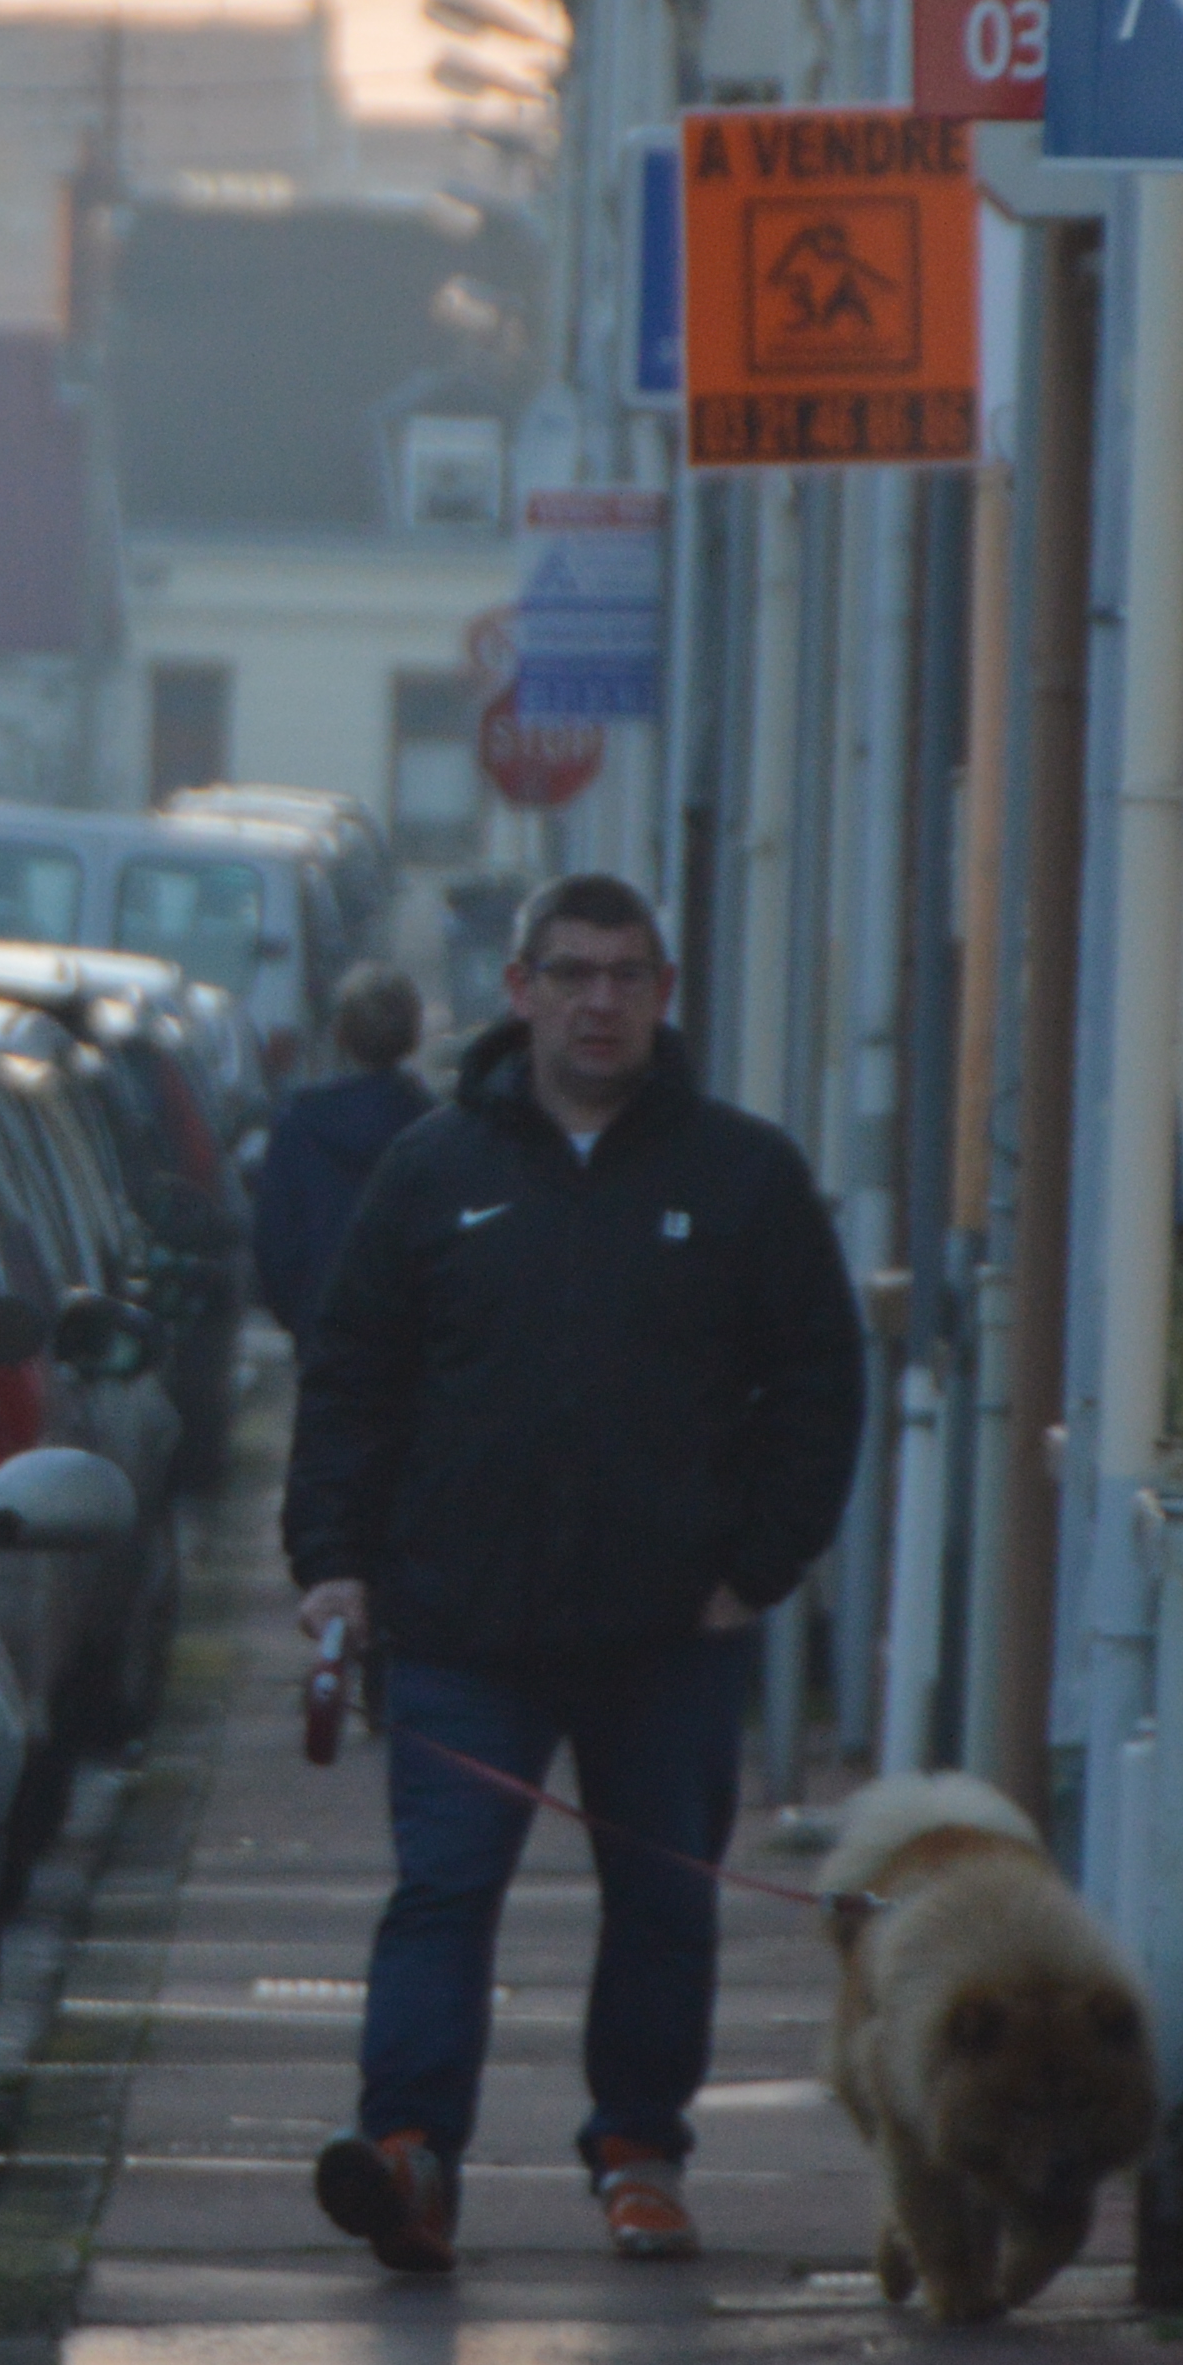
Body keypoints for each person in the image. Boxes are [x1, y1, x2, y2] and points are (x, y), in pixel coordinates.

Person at [279, 873, 864, 2273]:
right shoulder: (432, 1172)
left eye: (627, 976)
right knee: (443, 1890)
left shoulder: (742, 1176)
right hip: (461, 1627)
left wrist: (758, 1568)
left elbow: (821, 1384)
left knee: (661, 1902)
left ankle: (640, 2152)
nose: (600, 1000)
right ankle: (410, 2157)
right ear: (520, 991)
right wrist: (335, 1567)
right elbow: (350, 1378)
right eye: (572, 973)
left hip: (669, 1629)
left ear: (665, 996)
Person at [247, 964, 429, 1331]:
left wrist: (299, 1318)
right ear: (413, 1033)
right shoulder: (434, 1127)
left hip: (323, 1335)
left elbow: (275, 1238)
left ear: (341, 1034)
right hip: (414, 1346)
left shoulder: (299, 1122)